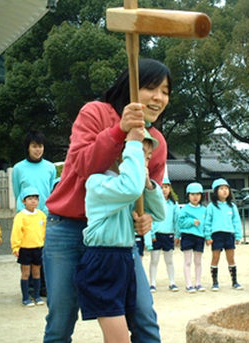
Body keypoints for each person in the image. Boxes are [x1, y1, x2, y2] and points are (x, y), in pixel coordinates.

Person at [44, 58, 171, 342]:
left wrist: (146, 217)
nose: (159, 97)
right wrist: (120, 130)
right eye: (151, 88)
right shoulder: (95, 112)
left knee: (144, 316)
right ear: (131, 86)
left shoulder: (156, 142)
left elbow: (149, 194)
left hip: (117, 239)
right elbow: (81, 167)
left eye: (165, 91)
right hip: (68, 228)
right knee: (61, 320)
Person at [74, 128, 165, 342]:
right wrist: (133, 144)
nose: (144, 162)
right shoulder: (98, 182)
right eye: (140, 153)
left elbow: (160, 213)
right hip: (103, 261)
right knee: (119, 338)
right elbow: (130, 189)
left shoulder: (131, 186)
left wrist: (149, 184)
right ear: (120, 153)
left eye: (148, 157)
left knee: (124, 330)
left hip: (124, 258)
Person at [204, 178, 243, 291]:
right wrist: (208, 236)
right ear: (215, 191)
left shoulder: (232, 206)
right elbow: (208, 222)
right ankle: (215, 282)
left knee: (231, 258)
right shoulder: (211, 206)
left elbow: (236, 221)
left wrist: (238, 236)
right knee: (215, 258)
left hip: (229, 235)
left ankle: (234, 281)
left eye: (226, 188)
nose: (224, 191)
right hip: (216, 236)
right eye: (221, 189)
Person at [10, 187, 47, 307]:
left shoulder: (41, 215)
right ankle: (26, 297)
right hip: (25, 249)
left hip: (38, 248)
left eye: (36, 199)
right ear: (24, 201)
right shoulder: (20, 216)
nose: (33, 201)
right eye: (30, 199)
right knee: (26, 273)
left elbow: (45, 231)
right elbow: (16, 232)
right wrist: (16, 247)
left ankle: (36, 296)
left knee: (37, 273)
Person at [146, 178, 179, 293]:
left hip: (168, 234)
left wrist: (177, 234)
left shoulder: (174, 204)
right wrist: (151, 234)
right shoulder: (153, 203)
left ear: (170, 189)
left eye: (166, 187)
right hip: (156, 235)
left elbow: (176, 220)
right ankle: (152, 283)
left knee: (169, 260)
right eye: (161, 187)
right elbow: (150, 219)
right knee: (154, 260)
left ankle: (172, 282)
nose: (164, 190)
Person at [12, 130, 57, 215]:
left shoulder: (51, 167)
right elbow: (17, 193)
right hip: (25, 215)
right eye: (34, 146)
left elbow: (51, 191)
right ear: (28, 148)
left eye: (40, 146)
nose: (38, 150)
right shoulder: (18, 168)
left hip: (45, 215)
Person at [176, 182, 206, 293]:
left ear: (201, 195)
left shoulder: (204, 210)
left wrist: (207, 237)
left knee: (198, 261)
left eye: (198, 194)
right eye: (192, 194)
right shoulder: (184, 209)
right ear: (188, 195)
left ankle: (198, 283)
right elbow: (180, 223)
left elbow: (207, 225)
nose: (195, 197)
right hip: (187, 236)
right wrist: (192, 222)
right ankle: (189, 284)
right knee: (187, 261)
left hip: (200, 237)